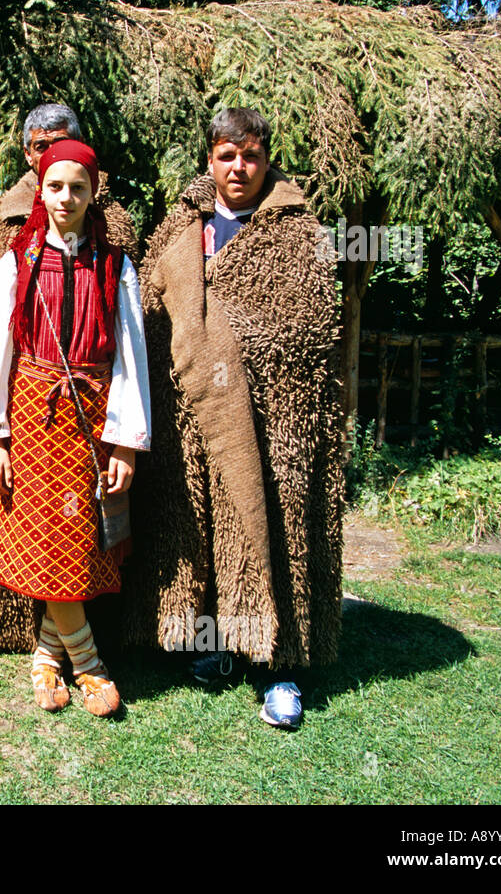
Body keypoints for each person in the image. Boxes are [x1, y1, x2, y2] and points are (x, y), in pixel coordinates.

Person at [126, 107, 344, 728]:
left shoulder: (296, 233)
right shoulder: (181, 227)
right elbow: (149, 303)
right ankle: (217, 643)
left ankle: (281, 667)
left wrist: (228, 335)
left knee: (269, 528)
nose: (239, 167)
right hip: (189, 410)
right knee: (201, 528)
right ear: (211, 161)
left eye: (250, 155)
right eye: (227, 155)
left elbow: (305, 324)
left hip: (271, 417)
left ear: (266, 158)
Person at [0, 104, 141, 653]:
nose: (61, 192)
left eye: (74, 183)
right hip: (28, 411)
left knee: (83, 532)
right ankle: (77, 656)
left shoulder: (114, 256)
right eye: (39, 154)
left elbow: (131, 356)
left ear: (90, 185)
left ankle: (50, 654)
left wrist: (127, 439)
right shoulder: (10, 247)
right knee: (29, 525)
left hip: (93, 412)